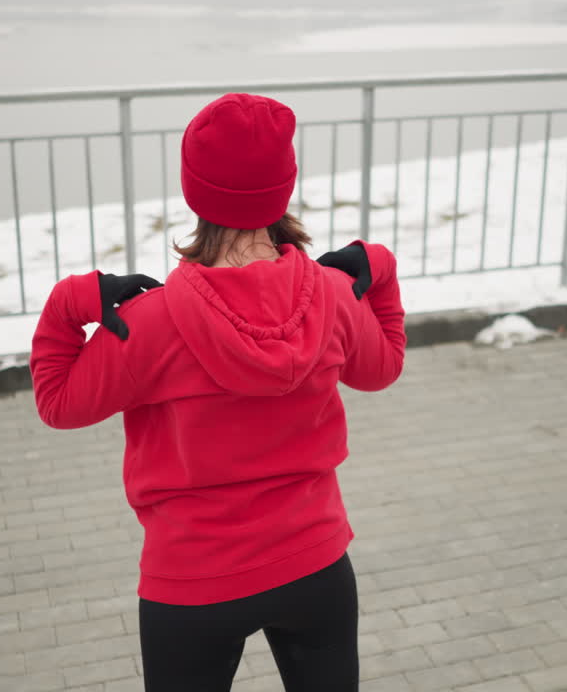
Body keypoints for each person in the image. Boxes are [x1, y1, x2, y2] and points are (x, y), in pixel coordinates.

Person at [29, 92, 407, 692]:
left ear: (194, 190)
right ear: (283, 187)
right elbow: (382, 368)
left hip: (193, 583)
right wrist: (377, 270)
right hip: (315, 564)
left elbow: (57, 403)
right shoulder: (334, 294)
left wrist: (72, 302)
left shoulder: (145, 322)